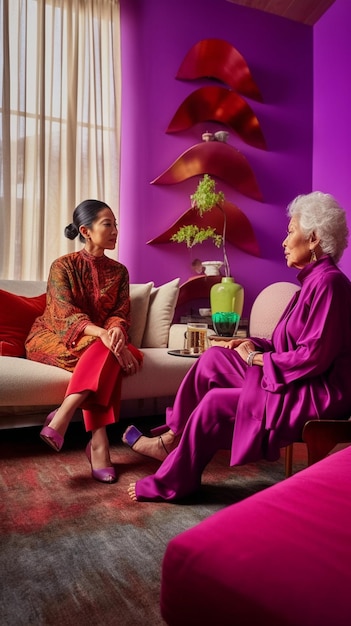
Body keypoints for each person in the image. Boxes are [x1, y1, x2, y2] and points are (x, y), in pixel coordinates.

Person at [122, 191, 351, 502]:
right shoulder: (311, 282)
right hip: (295, 376)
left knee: (215, 402)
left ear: (313, 239)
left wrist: (256, 358)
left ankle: (176, 480)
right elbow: (287, 343)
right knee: (214, 357)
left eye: (291, 231)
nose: (284, 241)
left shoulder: (331, 285)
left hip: (316, 391)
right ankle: (173, 439)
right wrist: (248, 343)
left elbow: (314, 357)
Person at [25, 199, 143, 484]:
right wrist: (106, 336)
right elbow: (64, 315)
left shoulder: (120, 272)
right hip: (51, 337)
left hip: (99, 344)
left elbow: (120, 313)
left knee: (114, 352)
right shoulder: (62, 266)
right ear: (86, 230)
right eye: (108, 224)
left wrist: (114, 330)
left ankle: (64, 413)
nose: (115, 230)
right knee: (118, 356)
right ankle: (99, 444)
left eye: (116, 225)